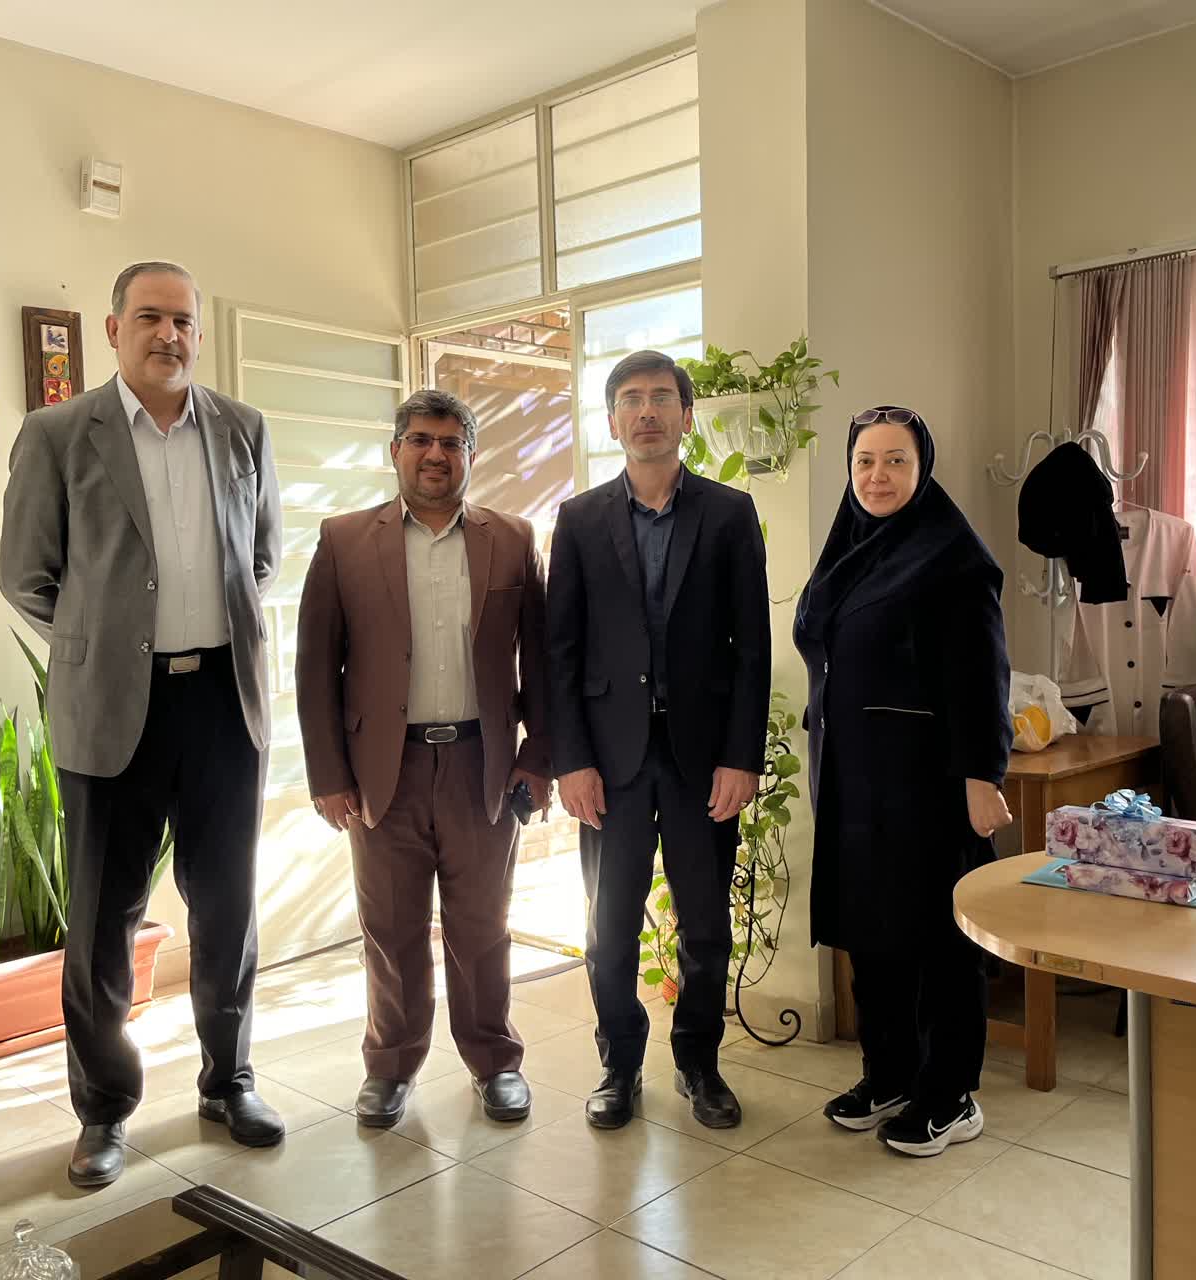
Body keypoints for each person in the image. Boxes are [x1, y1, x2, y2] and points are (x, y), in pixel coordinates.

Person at [0, 261, 285, 1189]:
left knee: (228, 907)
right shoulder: (57, 433)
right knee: (102, 922)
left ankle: (228, 1082)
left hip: (223, 705)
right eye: (152, 317)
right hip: (113, 709)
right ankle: (103, 1111)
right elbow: (25, 575)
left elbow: (263, 558)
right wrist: (104, 647)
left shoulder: (242, 429)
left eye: (185, 320)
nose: (171, 335)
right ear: (113, 328)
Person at [296, 389, 552, 1129]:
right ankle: (390, 1066)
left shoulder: (512, 539)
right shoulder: (344, 540)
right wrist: (328, 776)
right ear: (396, 451)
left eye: (450, 442)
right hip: (385, 771)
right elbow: (316, 667)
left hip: (482, 768)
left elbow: (541, 662)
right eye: (420, 440)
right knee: (391, 929)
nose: (435, 455)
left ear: (470, 454)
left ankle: (495, 1061)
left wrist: (537, 758)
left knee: (483, 926)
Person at [547, 350, 771, 1131]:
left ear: (685, 415)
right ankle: (619, 1065)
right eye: (632, 399)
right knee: (608, 929)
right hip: (608, 763)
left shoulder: (729, 514)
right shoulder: (578, 520)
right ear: (612, 421)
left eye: (662, 398)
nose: (647, 411)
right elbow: (559, 652)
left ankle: (699, 1064)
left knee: (705, 927)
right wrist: (570, 761)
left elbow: (751, 648)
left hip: (702, 760)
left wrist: (741, 756)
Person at [793, 405, 1012, 1158]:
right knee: (870, 930)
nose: (877, 476)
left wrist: (982, 774)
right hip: (854, 777)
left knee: (938, 940)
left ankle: (950, 1094)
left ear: (923, 470)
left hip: (928, 781)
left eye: (895, 461)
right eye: (865, 461)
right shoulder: (849, 549)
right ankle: (888, 1074)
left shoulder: (953, 558)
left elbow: (981, 675)